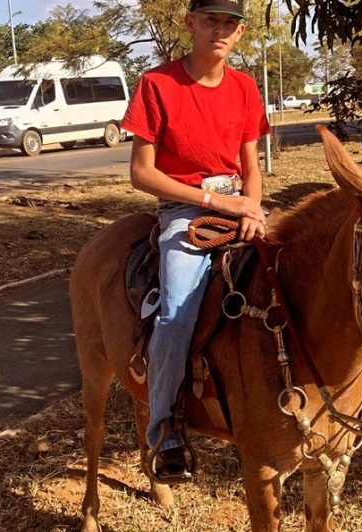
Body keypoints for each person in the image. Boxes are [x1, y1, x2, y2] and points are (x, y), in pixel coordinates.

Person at [120, 0, 270, 483]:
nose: (220, 30)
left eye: (229, 23)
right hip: (185, 211)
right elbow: (141, 173)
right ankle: (165, 431)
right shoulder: (156, 84)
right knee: (178, 310)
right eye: (210, 20)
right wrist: (218, 202)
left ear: (240, 32)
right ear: (190, 24)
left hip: (240, 205)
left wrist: (251, 205)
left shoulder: (245, 88)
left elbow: (251, 165)